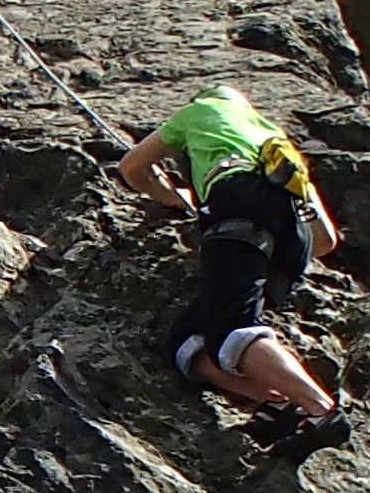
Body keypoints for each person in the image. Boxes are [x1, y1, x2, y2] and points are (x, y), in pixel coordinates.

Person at [117, 86, 355, 456]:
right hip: (292, 235)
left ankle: (320, 409)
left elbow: (132, 167)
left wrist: (177, 198)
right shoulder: (271, 136)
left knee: (233, 331)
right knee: (188, 341)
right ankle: (281, 403)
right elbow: (324, 239)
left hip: (238, 202)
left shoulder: (200, 110)